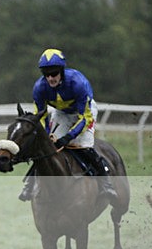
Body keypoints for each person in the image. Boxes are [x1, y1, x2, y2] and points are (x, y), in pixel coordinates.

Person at [19, 48, 116, 201]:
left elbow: (85, 117)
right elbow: (41, 116)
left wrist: (68, 137)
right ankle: (29, 185)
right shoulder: (39, 88)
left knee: (82, 145)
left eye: (54, 73)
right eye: (46, 74)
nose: (50, 78)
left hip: (84, 113)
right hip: (61, 113)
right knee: (46, 149)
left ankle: (106, 183)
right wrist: (47, 134)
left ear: (62, 71)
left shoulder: (78, 83)